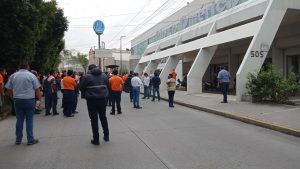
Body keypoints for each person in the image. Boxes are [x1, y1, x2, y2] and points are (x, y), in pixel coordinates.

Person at [5, 63, 41, 145]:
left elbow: (9, 88)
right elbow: (37, 89)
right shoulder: (31, 75)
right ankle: (30, 139)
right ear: (27, 67)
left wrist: (12, 97)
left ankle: (18, 139)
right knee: (29, 120)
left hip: (17, 100)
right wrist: (39, 99)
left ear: (19, 67)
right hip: (29, 100)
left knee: (19, 119)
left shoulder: (13, 76)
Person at [78, 64, 109, 145]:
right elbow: (108, 85)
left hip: (92, 100)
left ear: (90, 70)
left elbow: (81, 87)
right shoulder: (104, 76)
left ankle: (96, 139)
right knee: (103, 117)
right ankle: (106, 136)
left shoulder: (86, 77)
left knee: (94, 120)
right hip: (103, 99)